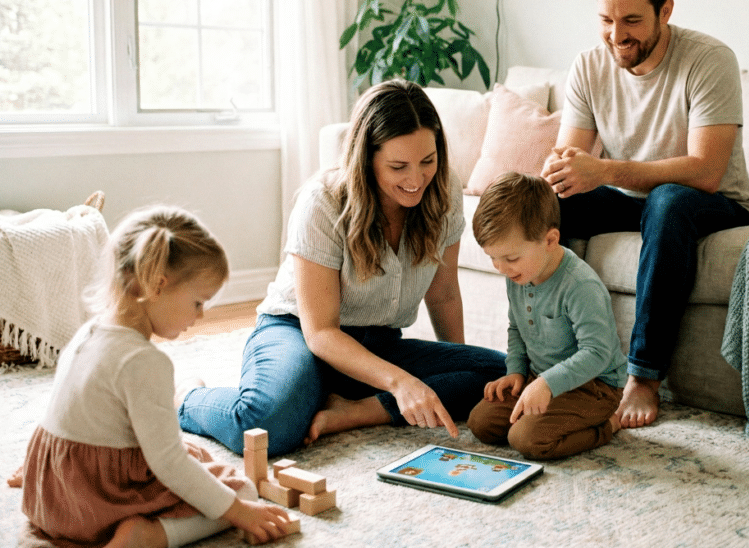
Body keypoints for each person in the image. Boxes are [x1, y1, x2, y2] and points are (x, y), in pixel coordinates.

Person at [178, 80, 507, 457]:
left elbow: (444, 293)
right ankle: (187, 397)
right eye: (398, 166)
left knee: (498, 376)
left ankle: (356, 411)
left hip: (377, 345)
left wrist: (455, 366)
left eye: (427, 161)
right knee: (264, 426)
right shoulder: (322, 202)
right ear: (366, 159)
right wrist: (401, 383)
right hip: (300, 333)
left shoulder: (443, 190)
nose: (416, 180)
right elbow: (320, 332)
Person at [541, 0, 749, 430]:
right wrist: (556, 175)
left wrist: (605, 171)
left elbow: (706, 170)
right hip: (632, 201)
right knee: (550, 203)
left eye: (632, 21)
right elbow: (568, 159)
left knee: (667, 201)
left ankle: (643, 375)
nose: (617, 35)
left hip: (713, 202)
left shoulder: (709, 59)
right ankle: (550, 360)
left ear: (665, 10)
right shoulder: (589, 66)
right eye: (606, 20)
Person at [10, 206, 291, 548]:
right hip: (95, 506)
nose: (201, 316)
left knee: (192, 452)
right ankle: (147, 536)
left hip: (51, 497)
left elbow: (71, 417)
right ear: (158, 286)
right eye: (198, 302)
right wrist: (240, 512)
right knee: (241, 491)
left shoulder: (89, 332)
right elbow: (169, 464)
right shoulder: (144, 361)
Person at [466, 172, 628, 460]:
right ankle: (543, 403)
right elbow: (517, 328)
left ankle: (608, 425)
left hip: (593, 386)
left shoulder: (580, 285)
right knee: (481, 423)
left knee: (526, 440)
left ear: (550, 240)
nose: (500, 268)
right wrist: (516, 372)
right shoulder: (518, 274)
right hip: (539, 377)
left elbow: (598, 352)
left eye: (511, 258)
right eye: (493, 258)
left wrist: (547, 384)